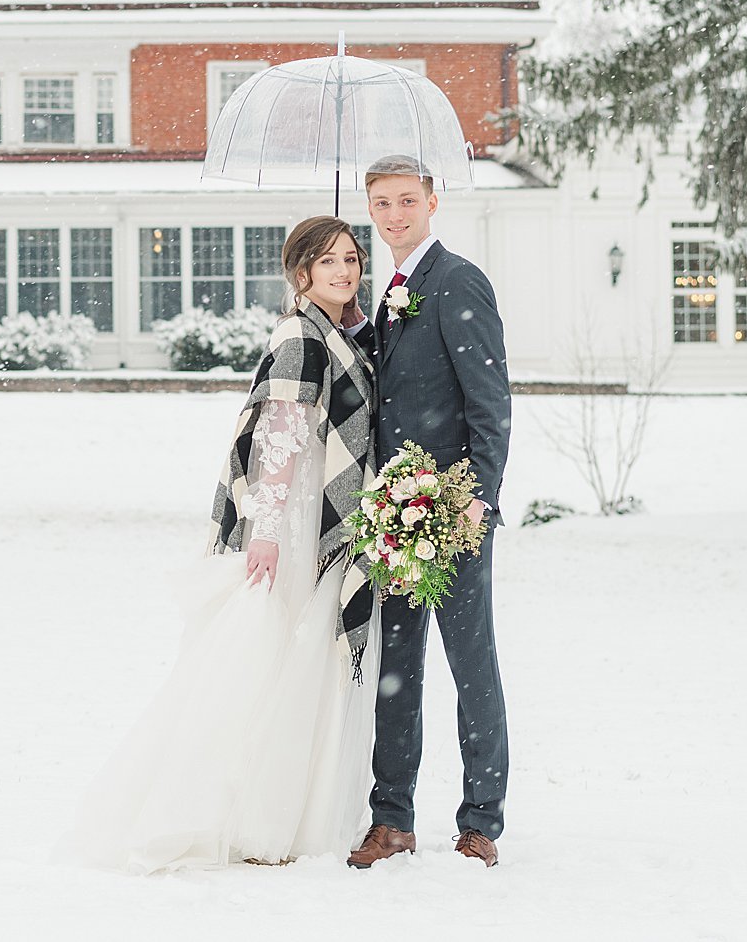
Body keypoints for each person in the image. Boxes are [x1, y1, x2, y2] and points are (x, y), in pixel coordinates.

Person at [63, 217, 381, 871]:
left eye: (351, 259)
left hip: (312, 511)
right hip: (295, 521)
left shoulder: (333, 332)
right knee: (283, 657)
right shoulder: (301, 335)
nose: (345, 272)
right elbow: (280, 438)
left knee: (300, 661)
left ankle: (282, 809)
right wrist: (266, 532)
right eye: (329, 263)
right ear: (302, 275)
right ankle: (248, 810)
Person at [346, 156, 513, 870]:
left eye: (406, 200)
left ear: (433, 203)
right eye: (381, 203)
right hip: (392, 514)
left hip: (453, 512)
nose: (393, 215)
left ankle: (481, 821)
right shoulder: (382, 296)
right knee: (397, 667)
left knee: (471, 662)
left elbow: (491, 403)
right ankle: (393, 818)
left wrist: (476, 498)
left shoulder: (458, 280)